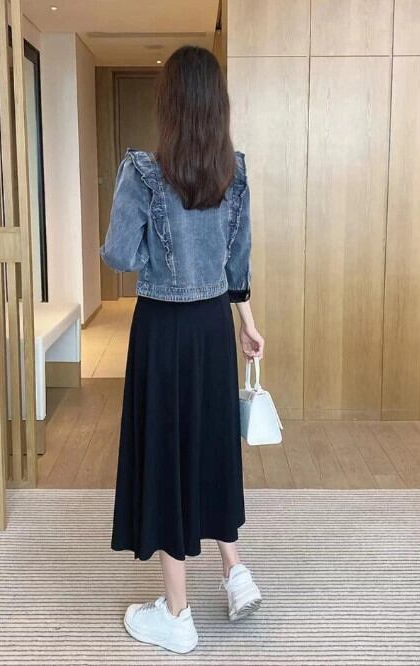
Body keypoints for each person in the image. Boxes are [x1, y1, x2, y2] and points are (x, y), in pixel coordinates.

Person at [100, 45, 264, 655]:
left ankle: (177, 614)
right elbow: (237, 262)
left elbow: (119, 255)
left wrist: (157, 254)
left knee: (167, 453)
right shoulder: (234, 173)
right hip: (213, 329)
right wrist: (247, 323)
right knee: (210, 445)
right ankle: (235, 571)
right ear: (218, 104)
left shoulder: (142, 171)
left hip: (164, 332)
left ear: (168, 104)